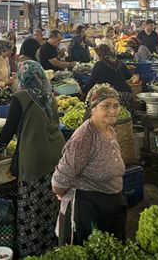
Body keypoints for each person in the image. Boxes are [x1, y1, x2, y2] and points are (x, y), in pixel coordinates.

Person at [0, 60, 65, 257]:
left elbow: (8, 129)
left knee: (32, 208)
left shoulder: (21, 97)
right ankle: (50, 248)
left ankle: (30, 251)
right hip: (56, 156)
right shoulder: (49, 96)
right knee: (51, 206)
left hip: (34, 159)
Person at [52, 84, 126, 245]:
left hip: (110, 206)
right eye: (106, 106)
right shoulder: (84, 137)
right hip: (88, 210)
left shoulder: (110, 129)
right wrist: (64, 192)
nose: (113, 110)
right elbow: (58, 182)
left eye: (116, 106)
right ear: (93, 108)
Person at [83, 45, 134, 112]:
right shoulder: (120, 62)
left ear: (99, 54)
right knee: (125, 117)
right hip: (127, 94)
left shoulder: (99, 64)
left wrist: (82, 92)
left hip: (112, 96)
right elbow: (129, 76)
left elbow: (91, 82)